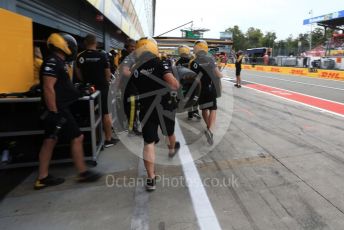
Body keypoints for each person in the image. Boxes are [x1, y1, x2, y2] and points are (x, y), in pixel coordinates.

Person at [35, 33, 101, 190]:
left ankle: (42, 177)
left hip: (57, 108)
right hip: (57, 109)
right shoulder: (53, 62)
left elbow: (61, 87)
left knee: (49, 141)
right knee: (78, 137)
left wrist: (78, 91)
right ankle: (82, 172)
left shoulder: (58, 62)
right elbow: (48, 88)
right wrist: (54, 112)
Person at [121, 37, 180, 191]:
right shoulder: (159, 63)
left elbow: (126, 74)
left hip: (146, 108)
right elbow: (174, 85)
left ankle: (150, 179)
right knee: (169, 132)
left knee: (149, 143)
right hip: (164, 105)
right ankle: (172, 149)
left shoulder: (135, 69)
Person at [75, 34, 118, 148]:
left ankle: (96, 140)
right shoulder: (102, 56)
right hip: (103, 87)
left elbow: (78, 74)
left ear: (85, 43)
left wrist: (86, 81)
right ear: (96, 43)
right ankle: (108, 139)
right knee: (106, 113)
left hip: (88, 89)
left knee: (92, 114)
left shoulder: (80, 56)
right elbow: (108, 74)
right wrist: (105, 81)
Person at [190, 40, 223, 145]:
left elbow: (190, 77)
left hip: (199, 90)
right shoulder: (210, 59)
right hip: (210, 88)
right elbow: (218, 75)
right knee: (213, 109)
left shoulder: (193, 62)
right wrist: (220, 73)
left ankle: (208, 127)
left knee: (204, 109)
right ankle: (210, 129)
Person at [175, 45, 201, 121]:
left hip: (183, 83)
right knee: (195, 96)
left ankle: (190, 114)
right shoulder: (191, 59)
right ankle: (195, 112)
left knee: (188, 97)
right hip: (192, 81)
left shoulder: (177, 62)